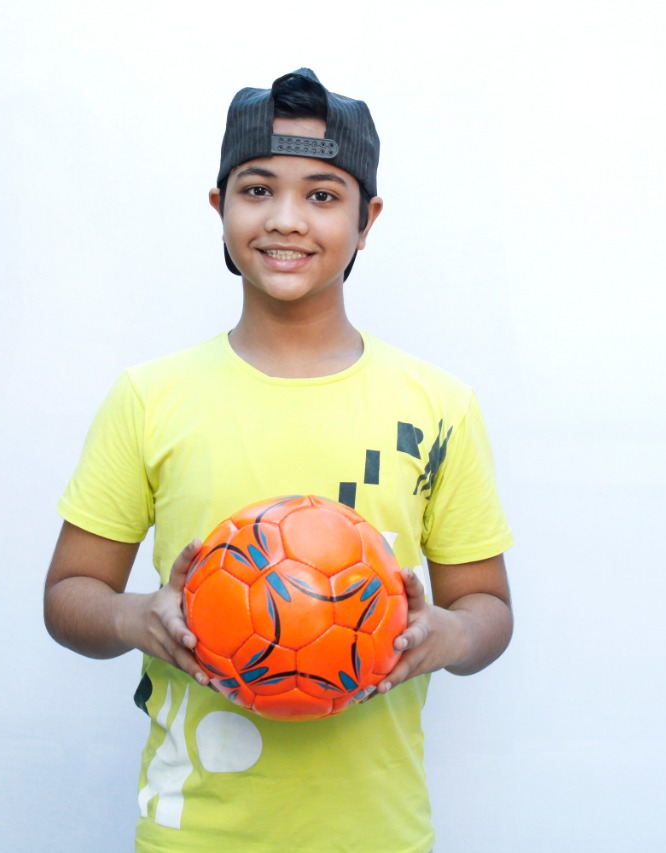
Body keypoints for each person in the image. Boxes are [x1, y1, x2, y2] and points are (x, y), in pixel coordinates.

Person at [44, 68, 514, 853]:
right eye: (257, 190)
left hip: (377, 834)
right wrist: (134, 615)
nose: (286, 219)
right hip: (194, 834)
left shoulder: (438, 406)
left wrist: (450, 635)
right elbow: (68, 595)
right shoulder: (150, 398)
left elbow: (488, 607)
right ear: (220, 207)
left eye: (323, 195)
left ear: (367, 219)